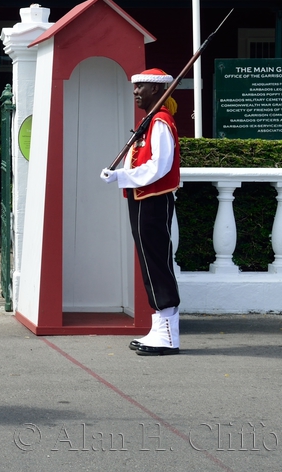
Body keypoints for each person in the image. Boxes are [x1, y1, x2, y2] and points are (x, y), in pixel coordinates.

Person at [101, 68, 182, 356]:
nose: (135, 92)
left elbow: (159, 166)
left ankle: (168, 334)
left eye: (141, 87)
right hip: (142, 198)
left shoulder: (160, 122)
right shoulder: (148, 122)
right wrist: (122, 175)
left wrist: (121, 176)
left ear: (156, 90)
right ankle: (160, 327)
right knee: (149, 261)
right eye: (135, 87)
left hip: (153, 199)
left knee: (156, 260)